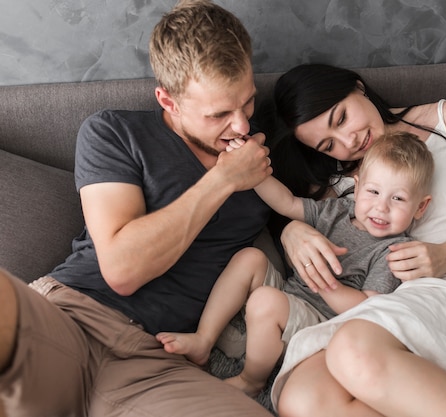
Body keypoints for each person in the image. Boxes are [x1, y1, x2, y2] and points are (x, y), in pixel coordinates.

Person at [0, 2, 277, 417]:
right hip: (75, 317)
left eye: (248, 104)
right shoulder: (114, 133)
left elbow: (359, 170)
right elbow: (122, 271)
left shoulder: (267, 159)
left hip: (157, 363)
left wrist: (295, 228)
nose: (241, 126)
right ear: (168, 100)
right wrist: (224, 180)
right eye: (219, 114)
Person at [267, 63, 446, 417]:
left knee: (352, 349)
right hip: (384, 300)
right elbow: (304, 218)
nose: (348, 141)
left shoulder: (444, 120)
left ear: (358, 88)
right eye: (328, 144)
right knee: (303, 399)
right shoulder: (332, 180)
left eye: (340, 119)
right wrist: (291, 231)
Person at [157, 131, 434, 397]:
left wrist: (323, 281)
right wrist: (252, 172)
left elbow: (367, 307)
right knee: (249, 258)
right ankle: (204, 339)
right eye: (373, 192)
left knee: (266, 301)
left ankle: (251, 380)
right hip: (291, 295)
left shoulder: (392, 250)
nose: (381, 207)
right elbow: (287, 203)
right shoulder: (337, 210)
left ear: (420, 207)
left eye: (397, 199)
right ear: (357, 186)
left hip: (321, 323)